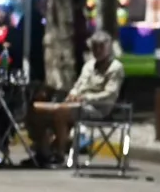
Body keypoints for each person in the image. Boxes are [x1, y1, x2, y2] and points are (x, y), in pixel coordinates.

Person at [25, 31, 124, 166]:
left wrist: (85, 98)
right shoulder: (89, 65)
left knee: (61, 112)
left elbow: (109, 94)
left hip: (98, 108)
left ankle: (59, 153)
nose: (98, 50)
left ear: (108, 48)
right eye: (95, 47)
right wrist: (72, 94)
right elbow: (78, 85)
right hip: (76, 104)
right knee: (37, 110)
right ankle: (43, 151)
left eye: (101, 47)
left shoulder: (115, 68)